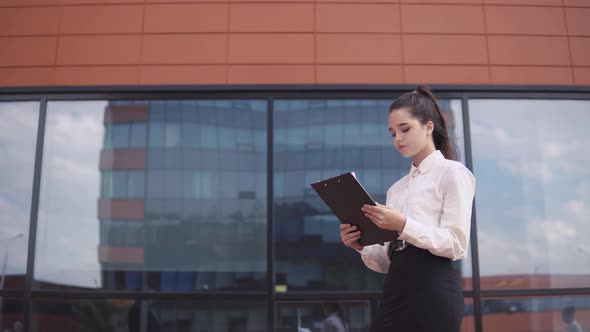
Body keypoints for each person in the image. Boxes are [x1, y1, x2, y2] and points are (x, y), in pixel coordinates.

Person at [340, 85, 475, 332]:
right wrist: (360, 244)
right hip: (396, 288)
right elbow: (385, 262)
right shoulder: (396, 189)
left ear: (428, 127)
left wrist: (403, 224)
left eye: (404, 129)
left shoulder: (453, 173)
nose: (397, 139)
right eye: (392, 133)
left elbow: (456, 243)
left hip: (433, 287)